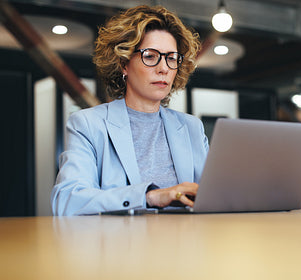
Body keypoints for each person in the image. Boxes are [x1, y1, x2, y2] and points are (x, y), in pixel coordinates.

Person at [51, 5, 208, 216]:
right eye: (151, 56)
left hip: (190, 242)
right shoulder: (87, 124)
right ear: (124, 64)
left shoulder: (192, 127)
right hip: (123, 246)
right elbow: (67, 200)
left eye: (171, 58)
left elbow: (212, 197)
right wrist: (149, 197)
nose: (163, 68)